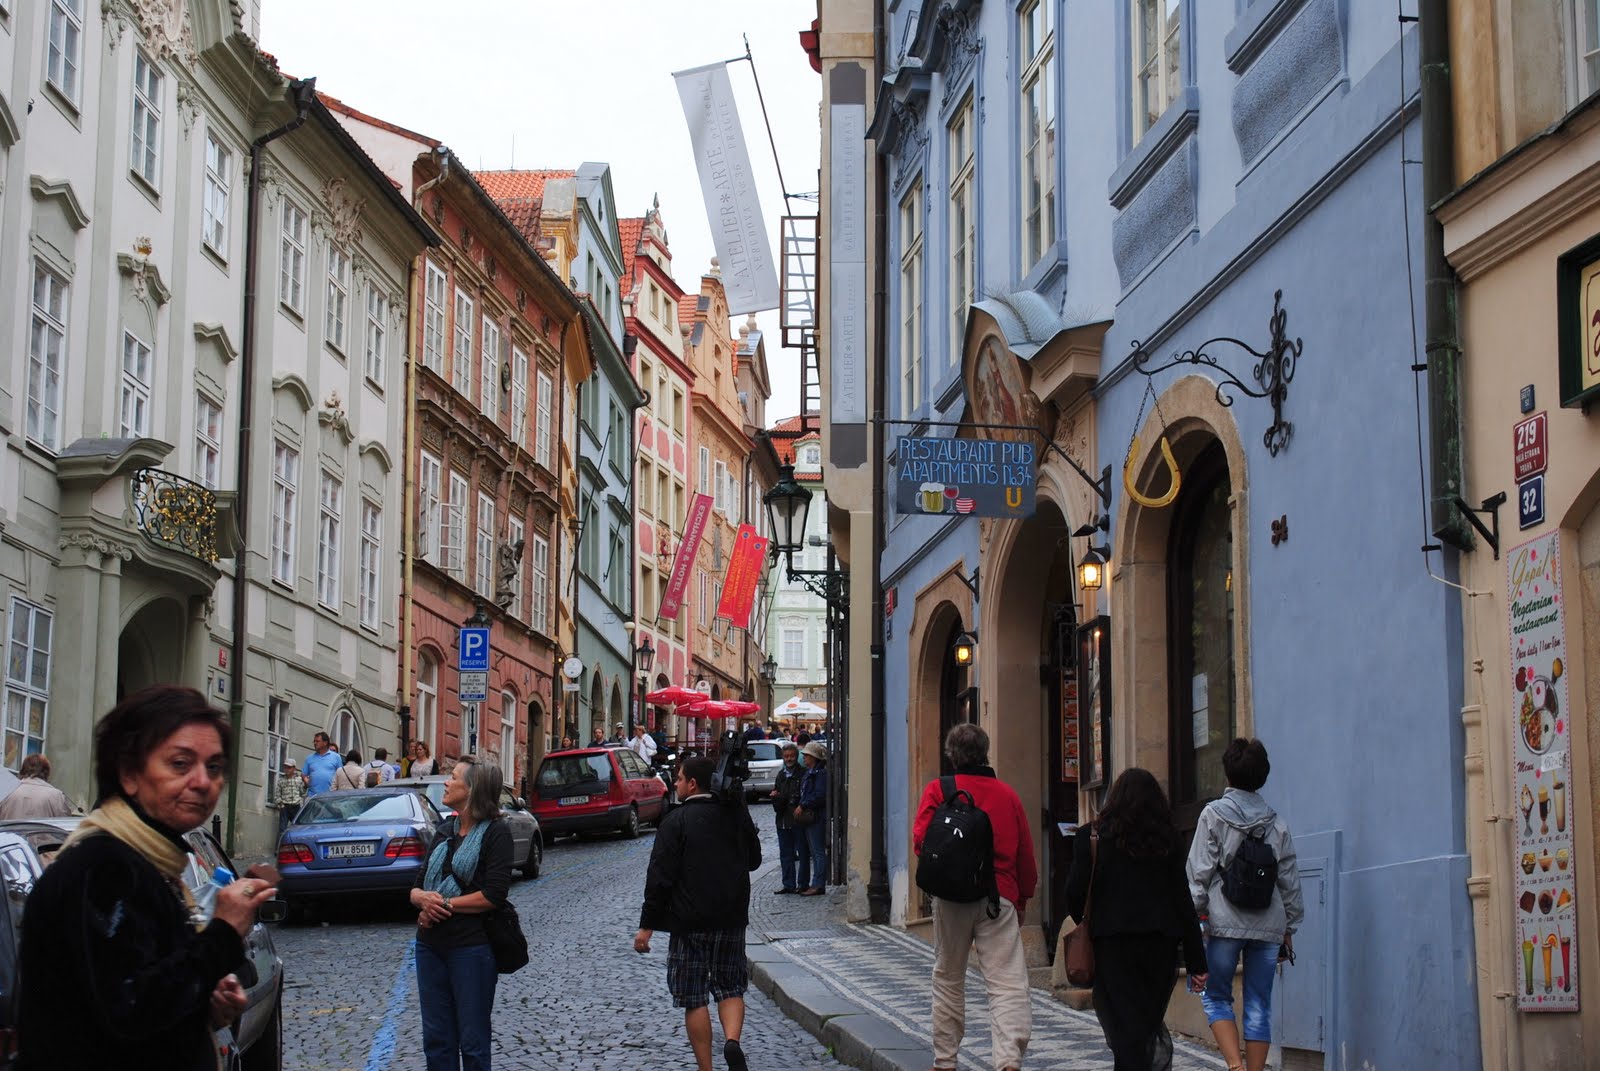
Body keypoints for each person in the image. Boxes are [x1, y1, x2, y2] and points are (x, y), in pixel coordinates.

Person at [17, 685, 278, 1069]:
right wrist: (222, 934)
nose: (203, 781)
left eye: (214, 767)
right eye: (180, 764)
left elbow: (140, 1003)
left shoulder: (149, 863)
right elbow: (131, 1007)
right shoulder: (104, 869)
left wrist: (205, 1006)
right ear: (129, 774)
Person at [912, 724, 1037, 1071]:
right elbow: (1025, 855)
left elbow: (921, 841)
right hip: (1000, 896)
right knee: (1007, 982)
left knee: (948, 977)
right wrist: (1023, 898)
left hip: (952, 897)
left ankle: (945, 1060)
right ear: (985, 752)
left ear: (951, 755)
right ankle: (1008, 1059)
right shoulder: (1007, 795)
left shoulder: (939, 790)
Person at [1065, 768, 1207, 1071]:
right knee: (1144, 1024)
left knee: (1124, 1026)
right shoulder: (1167, 840)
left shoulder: (1091, 837)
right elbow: (1182, 900)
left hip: (1112, 944)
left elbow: (1074, 892)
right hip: (1160, 946)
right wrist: (1197, 961)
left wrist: (1089, 922)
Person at [634, 756, 761, 1071]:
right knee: (730, 987)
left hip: (689, 921)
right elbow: (755, 860)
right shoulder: (732, 815)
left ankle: (706, 1068)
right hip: (730, 917)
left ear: (692, 784)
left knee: (694, 998)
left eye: (679, 778)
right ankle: (732, 1041)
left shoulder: (675, 821)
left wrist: (647, 926)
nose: (675, 783)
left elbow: (659, 877)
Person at [1186, 739, 1303, 1071]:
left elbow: (1198, 873)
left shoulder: (1212, 815)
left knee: (1216, 997)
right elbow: (1289, 881)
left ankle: (1235, 1067)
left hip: (1223, 923)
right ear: (1262, 776)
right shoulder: (1277, 824)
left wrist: (1196, 918)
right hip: (1268, 925)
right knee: (1259, 1005)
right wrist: (1289, 927)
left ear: (1227, 773)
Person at [409, 756, 513, 1071]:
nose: (446, 782)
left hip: (471, 948)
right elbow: (416, 888)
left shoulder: (496, 833)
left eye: (453, 777)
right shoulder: (444, 831)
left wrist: (443, 904)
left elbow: (494, 895)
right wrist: (423, 900)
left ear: (472, 789)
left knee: (473, 1041)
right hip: (430, 947)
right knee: (436, 1040)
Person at [768, 742, 805, 894]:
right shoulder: (781, 775)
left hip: (797, 820)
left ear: (796, 756)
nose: (789, 759)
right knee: (785, 854)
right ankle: (788, 884)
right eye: (786, 756)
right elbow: (777, 797)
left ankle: (802, 884)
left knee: (802, 853)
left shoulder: (802, 774)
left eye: (791, 756)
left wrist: (780, 797)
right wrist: (776, 797)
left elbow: (800, 797)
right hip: (782, 820)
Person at [794, 742, 829, 896]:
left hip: (816, 817)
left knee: (818, 852)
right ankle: (816, 883)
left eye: (807, 755)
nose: (804, 758)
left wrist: (803, 805)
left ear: (814, 757)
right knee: (815, 852)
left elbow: (819, 795)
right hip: (810, 817)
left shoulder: (820, 774)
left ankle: (818, 884)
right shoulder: (810, 772)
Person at [0, 753, 75, 819]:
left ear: (23, 769)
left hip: (10, 831)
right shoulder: (57, 796)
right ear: (47, 772)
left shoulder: (6, 791)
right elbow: (64, 824)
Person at [274, 758, 307, 838]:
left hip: (296, 806)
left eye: (289, 767)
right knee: (282, 829)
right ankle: (279, 845)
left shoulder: (299, 779)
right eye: (285, 767)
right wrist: (281, 804)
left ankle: (297, 844)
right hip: (285, 807)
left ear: (294, 768)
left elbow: (303, 793)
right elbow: (277, 795)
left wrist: (305, 786)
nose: (287, 769)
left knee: (298, 828)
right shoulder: (281, 779)